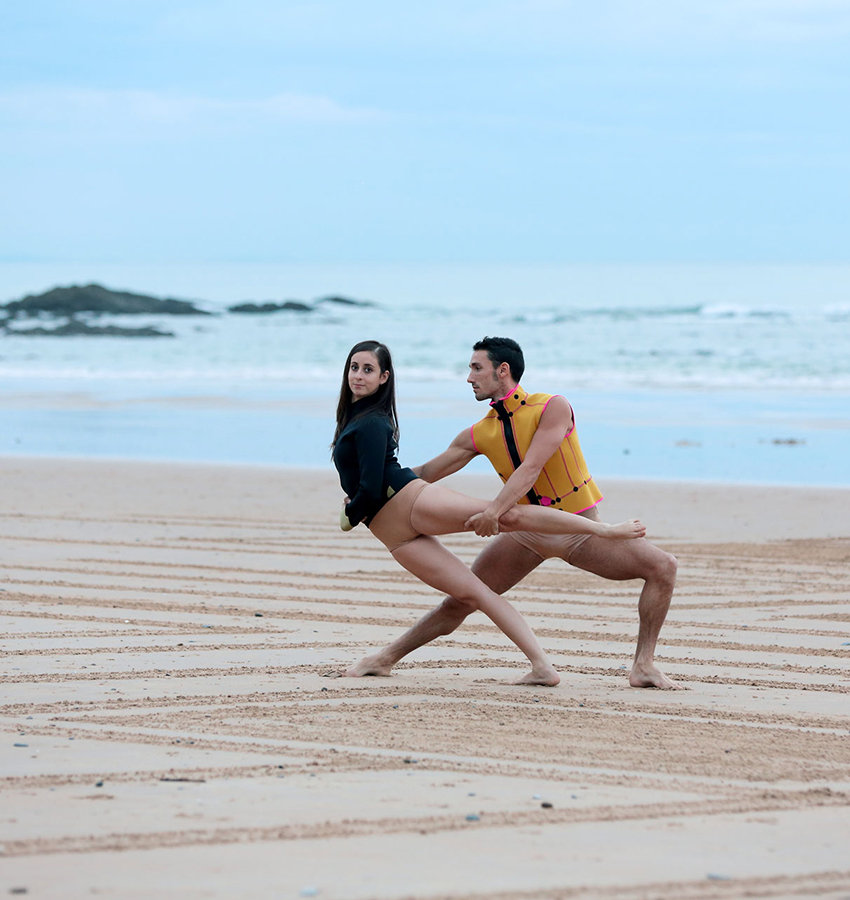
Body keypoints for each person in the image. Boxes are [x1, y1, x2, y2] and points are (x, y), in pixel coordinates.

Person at [346, 336, 682, 690]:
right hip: (524, 533)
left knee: (663, 567)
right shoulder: (479, 432)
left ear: (502, 370)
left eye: (476, 368)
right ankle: (385, 659)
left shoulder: (552, 407)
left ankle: (644, 665)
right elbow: (424, 473)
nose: (469, 377)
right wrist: (364, 490)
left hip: (579, 529)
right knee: (463, 599)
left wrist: (494, 510)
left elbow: (531, 468)